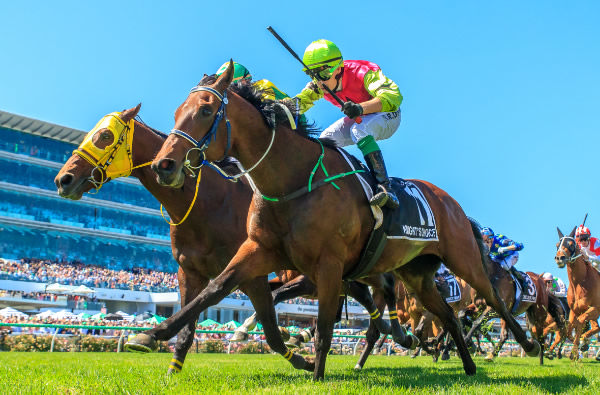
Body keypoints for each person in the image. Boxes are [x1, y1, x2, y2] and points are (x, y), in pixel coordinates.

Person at [294, 39, 402, 209]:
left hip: (387, 113)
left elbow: (393, 98)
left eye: (322, 74)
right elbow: (298, 104)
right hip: (360, 116)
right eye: (312, 74)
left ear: (338, 69)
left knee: (359, 129)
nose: (318, 81)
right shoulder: (318, 85)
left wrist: (361, 108)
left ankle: (385, 188)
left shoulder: (363, 72)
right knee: (325, 140)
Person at [215, 62, 305, 126]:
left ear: (243, 80)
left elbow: (271, 115)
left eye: (233, 87)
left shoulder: (261, 86)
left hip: (293, 131)